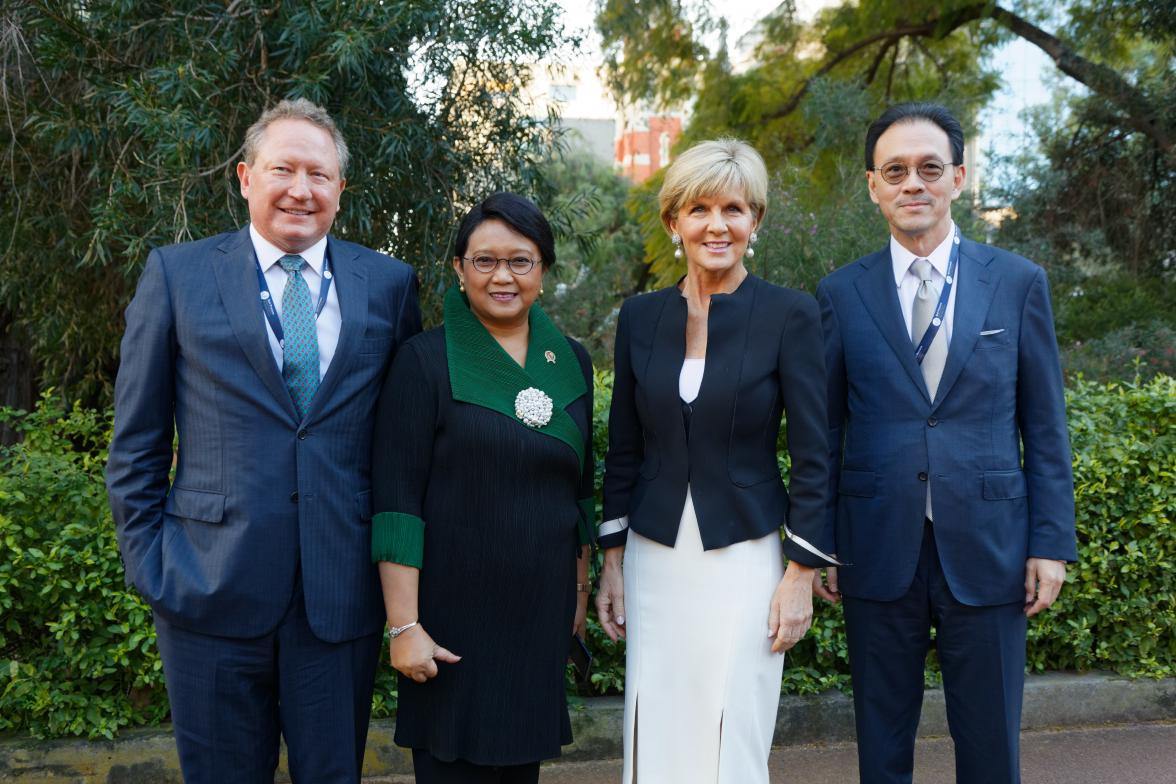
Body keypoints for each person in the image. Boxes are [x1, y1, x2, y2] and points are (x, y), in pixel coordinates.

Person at [106, 98, 421, 783]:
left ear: (340, 190)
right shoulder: (177, 275)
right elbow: (136, 443)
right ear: (247, 177)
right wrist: (151, 568)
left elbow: (402, 446)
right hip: (206, 589)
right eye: (284, 169)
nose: (300, 189)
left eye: (319, 174)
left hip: (339, 598)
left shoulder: (390, 286)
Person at [816, 102, 1077, 784]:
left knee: (992, 746)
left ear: (958, 178)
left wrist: (1051, 542)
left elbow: (1044, 423)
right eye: (895, 170)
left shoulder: (1018, 283)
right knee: (881, 744)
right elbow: (824, 430)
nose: (913, 184)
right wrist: (819, 544)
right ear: (872, 185)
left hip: (990, 543)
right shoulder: (840, 294)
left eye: (930, 168)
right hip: (875, 546)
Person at [593, 138, 840, 784]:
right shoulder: (641, 318)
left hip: (747, 557)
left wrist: (800, 573)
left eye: (734, 208)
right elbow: (625, 446)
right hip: (654, 557)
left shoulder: (791, 314)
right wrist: (612, 560)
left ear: (755, 221)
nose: (717, 224)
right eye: (699, 208)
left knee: (735, 725)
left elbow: (816, 453)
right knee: (658, 719)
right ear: (674, 221)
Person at [371, 192, 594, 784]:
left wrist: (578, 593)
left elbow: (580, 494)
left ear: (542, 270)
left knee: (521, 773)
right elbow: (397, 503)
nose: (503, 276)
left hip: (538, 615)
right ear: (459, 269)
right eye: (484, 260)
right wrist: (404, 627)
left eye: (520, 261)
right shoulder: (423, 361)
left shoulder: (571, 360)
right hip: (450, 623)